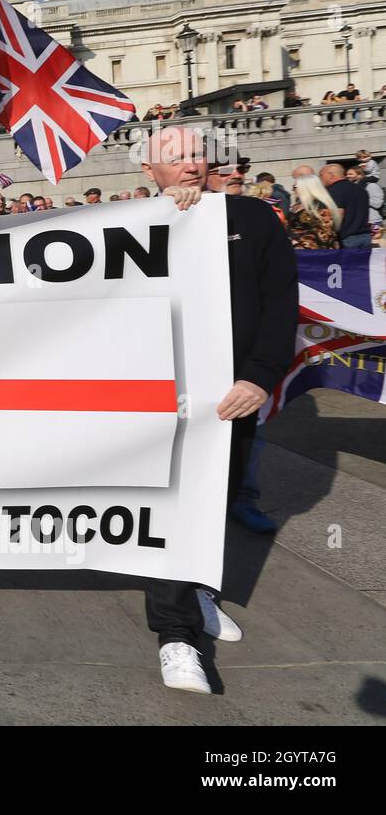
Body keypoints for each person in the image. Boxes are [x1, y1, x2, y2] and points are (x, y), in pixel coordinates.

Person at [140, 125, 298, 694]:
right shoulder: (137, 225)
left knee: (217, 498)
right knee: (175, 507)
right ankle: (177, 636)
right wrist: (172, 220)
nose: (188, 166)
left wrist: (260, 376)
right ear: (150, 173)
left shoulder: (253, 220)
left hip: (235, 395)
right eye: (172, 158)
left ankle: (199, 589)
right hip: (164, 398)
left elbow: (282, 303)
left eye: (195, 156)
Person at [320, 163, 371, 248]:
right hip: (365, 236)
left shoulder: (333, 191)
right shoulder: (360, 188)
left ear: (331, 175)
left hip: (346, 238)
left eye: (321, 175)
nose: (320, 178)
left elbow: (338, 215)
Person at [287, 175, 341, 249]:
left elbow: (326, 232)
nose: (292, 189)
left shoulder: (320, 205)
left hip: (317, 252)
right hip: (297, 250)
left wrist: (299, 242)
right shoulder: (297, 205)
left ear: (306, 188)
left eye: (295, 187)